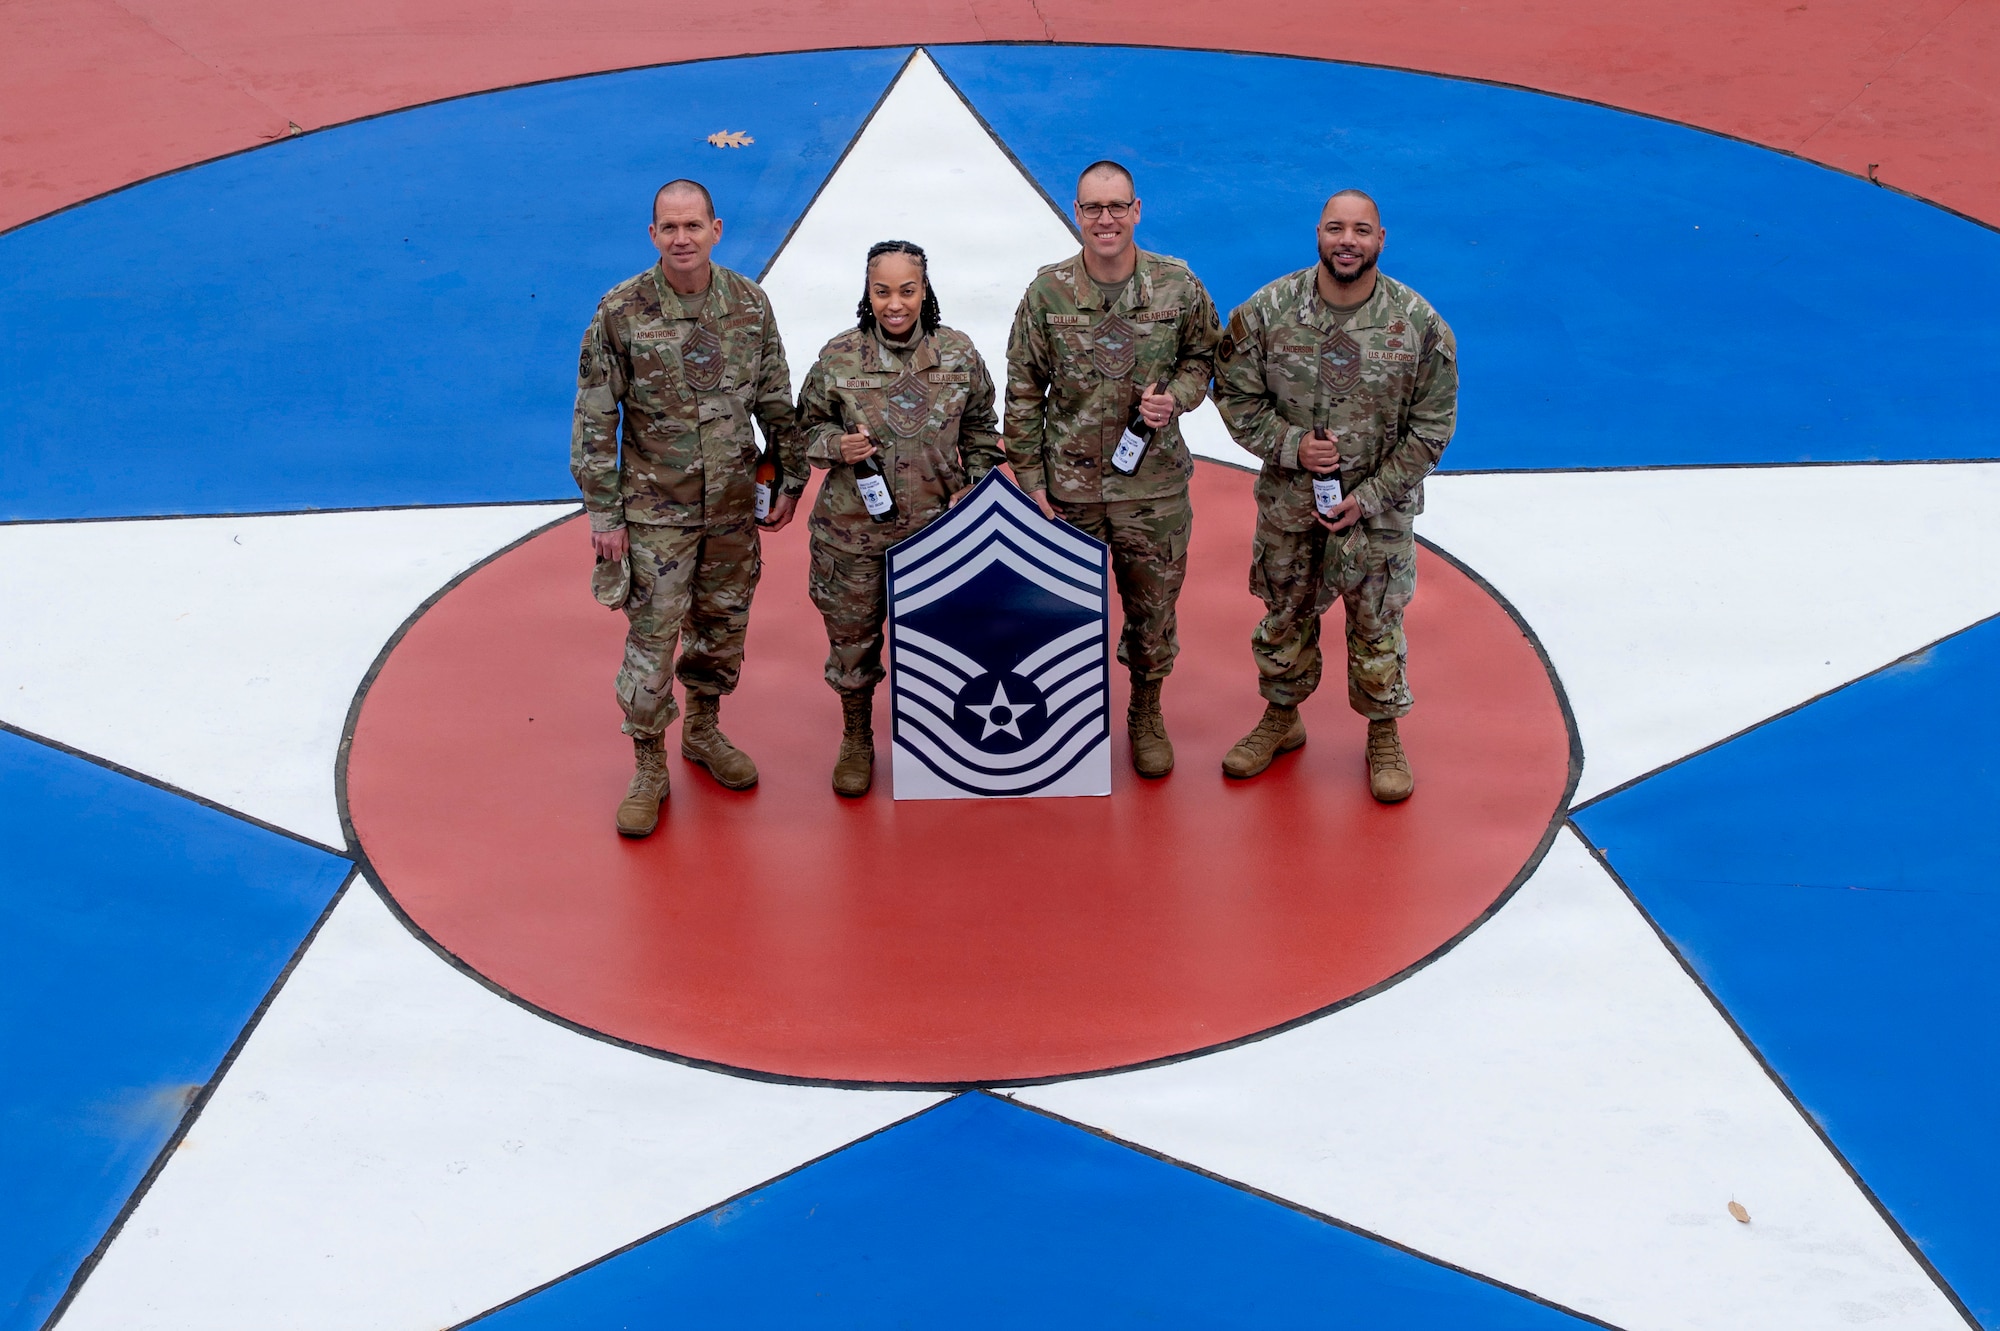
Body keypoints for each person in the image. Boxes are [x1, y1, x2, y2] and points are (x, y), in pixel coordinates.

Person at [571, 178, 804, 837]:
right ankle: (648, 765)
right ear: (653, 234)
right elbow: (595, 416)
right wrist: (605, 514)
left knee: (721, 629)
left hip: (732, 508)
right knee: (651, 641)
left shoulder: (749, 304)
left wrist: (788, 477)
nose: (682, 238)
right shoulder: (621, 310)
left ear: (715, 230)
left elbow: (775, 400)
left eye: (693, 225)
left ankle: (702, 730)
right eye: (669, 227)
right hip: (655, 514)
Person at [1211, 188, 1458, 801]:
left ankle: (1383, 732)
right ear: (1318, 234)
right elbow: (1233, 393)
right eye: (1335, 228)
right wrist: (1290, 445)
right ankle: (1281, 717)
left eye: (1361, 230)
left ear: (1381, 239)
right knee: (1284, 615)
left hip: (1379, 516)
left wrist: (1369, 497)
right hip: (1292, 507)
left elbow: (1433, 428)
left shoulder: (1418, 325)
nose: (1347, 241)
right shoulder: (1267, 312)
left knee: (1377, 623)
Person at [1002, 160, 1221, 778]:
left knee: (1153, 613)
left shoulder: (1177, 285)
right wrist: (1031, 482)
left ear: (1136, 211)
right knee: (1062, 613)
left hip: (1153, 491)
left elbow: (1207, 356)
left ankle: (1145, 711)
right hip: (1070, 493)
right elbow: (1023, 391)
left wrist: (1177, 397)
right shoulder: (1047, 293)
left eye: (1117, 206)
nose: (1106, 219)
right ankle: (1071, 718)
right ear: (1077, 213)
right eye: (1093, 208)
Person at [795, 240, 1004, 796]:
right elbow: (803, 430)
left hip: (939, 534)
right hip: (852, 536)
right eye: (882, 291)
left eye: (907, 291)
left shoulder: (958, 353)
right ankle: (857, 737)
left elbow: (982, 430)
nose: (895, 304)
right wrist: (835, 445)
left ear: (924, 290)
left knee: (942, 642)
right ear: (867, 293)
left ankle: (940, 739)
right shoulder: (839, 356)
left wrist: (975, 486)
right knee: (853, 643)